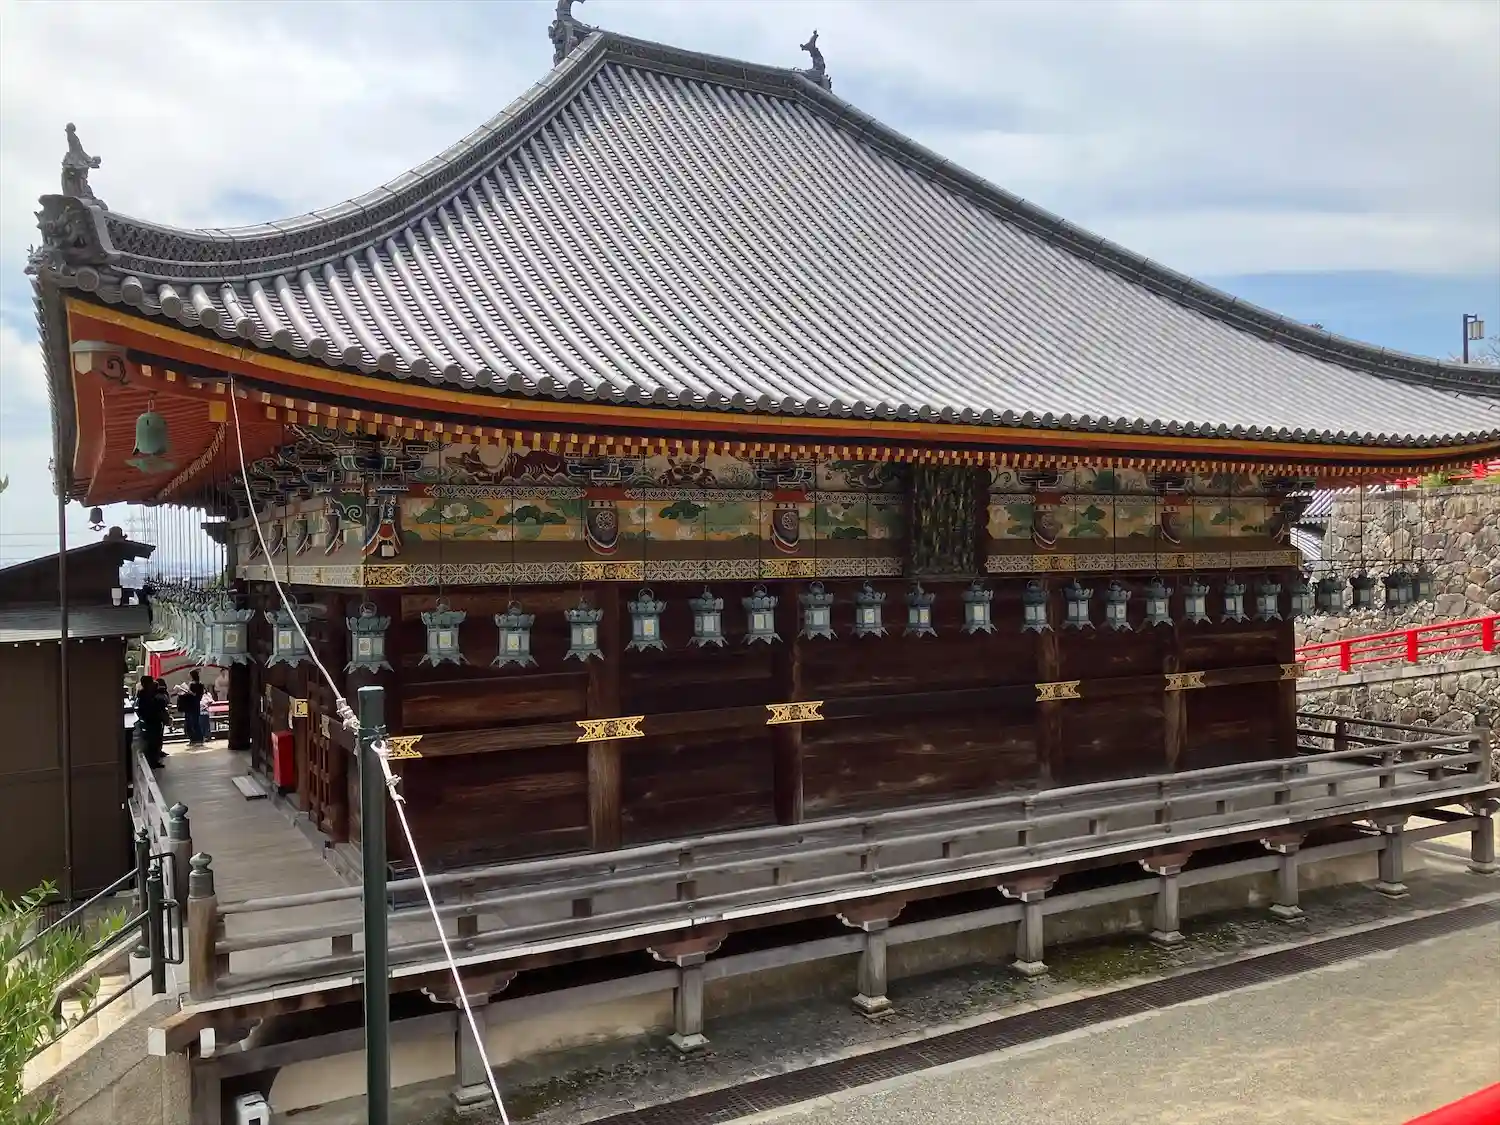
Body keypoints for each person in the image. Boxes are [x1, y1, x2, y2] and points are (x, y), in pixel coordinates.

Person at [135, 676, 168, 769]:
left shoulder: (147, 694)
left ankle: (154, 759)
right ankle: (152, 761)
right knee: (153, 742)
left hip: (153, 720)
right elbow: (153, 706)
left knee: (156, 741)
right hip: (152, 720)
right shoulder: (146, 695)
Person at [180, 669, 208, 745]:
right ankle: (198, 738)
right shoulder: (201, 684)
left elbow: (193, 694)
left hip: (190, 705)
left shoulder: (192, 684)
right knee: (195, 722)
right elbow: (199, 695)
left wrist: (186, 692)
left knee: (191, 722)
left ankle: (194, 739)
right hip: (196, 705)